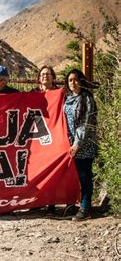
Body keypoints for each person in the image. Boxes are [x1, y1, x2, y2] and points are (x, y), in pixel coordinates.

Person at [63, 69, 98, 221]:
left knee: (84, 176)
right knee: (73, 176)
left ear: (81, 81)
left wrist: (77, 143)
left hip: (84, 144)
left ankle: (85, 208)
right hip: (70, 144)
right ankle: (74, 204)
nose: (73, 83)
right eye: (70, 80)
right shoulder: (68, 99)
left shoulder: (87, 99)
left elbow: (86, 124)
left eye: (76, 79)